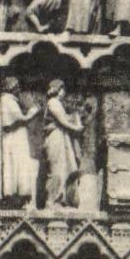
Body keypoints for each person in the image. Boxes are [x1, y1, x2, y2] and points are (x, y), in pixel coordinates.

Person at [0, 77, 39, 205]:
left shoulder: (10, 101)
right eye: (16, 87)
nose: (18, 90)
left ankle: (18, 195)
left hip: (16, 138)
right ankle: (12, 196)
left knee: (18, 166)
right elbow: (20, 119)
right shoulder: (7, 100)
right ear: (12, 87)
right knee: (13, 166)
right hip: (13, 139)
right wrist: (33, 111)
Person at [44, 81, 84, 209]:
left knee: (63, 168)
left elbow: (65, 118)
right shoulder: (53, 102)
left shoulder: (58, 103)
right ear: (58, 89)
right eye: (63, 89)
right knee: (57, 168)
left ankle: (61, 200)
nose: (65, 93)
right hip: (55, 137)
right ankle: (53, 200)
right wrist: (76, 128)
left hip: (61, 137)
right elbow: (62, 120)